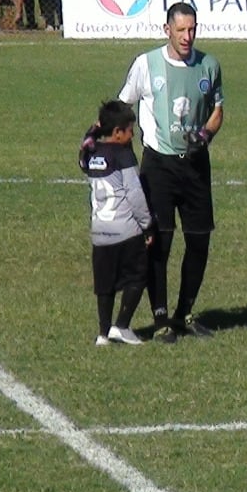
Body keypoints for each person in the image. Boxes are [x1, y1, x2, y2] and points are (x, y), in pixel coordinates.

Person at [117, 2, 224, 344]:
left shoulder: (209, 65)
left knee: (199, 240)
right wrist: (105, 142)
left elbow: (218, 111)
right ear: (167, 30)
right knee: (159, 241)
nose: (187, 37)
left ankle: (185, 313)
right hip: (158, 164)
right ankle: (160, 317)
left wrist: (205, 135)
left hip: (194, 165)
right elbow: (124, 106)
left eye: (192, 30)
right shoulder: (146, 64)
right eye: (180, 30)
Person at [79, 100, 151, 347]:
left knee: (105, 285)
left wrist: (93, 130)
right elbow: (134, 194)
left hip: (99, 232)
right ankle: (121, 325)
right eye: (130, 129)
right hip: (125, 231)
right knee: (139, 275)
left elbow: (83, 152)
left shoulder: (91, 153)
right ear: (118, 132)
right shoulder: (124, 154)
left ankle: (102, 334)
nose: (133, 134)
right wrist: (147, 225)